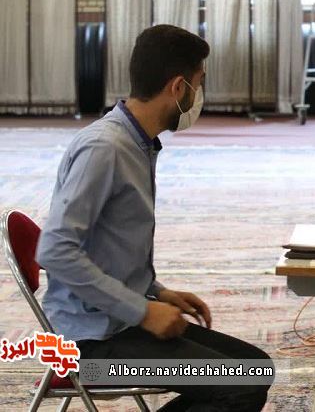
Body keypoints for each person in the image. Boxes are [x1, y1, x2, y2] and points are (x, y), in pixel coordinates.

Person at [36, 25, 271, 411]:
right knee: (239, 384)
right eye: (199, 83)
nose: (199, 94)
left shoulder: (136, 143)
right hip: (91, 348)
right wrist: (143, 310)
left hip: (120, 324)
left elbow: (109, 247)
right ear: (178, 87)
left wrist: (155, 291)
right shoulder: (105, 149)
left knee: (255, 368)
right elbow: (55, 251)